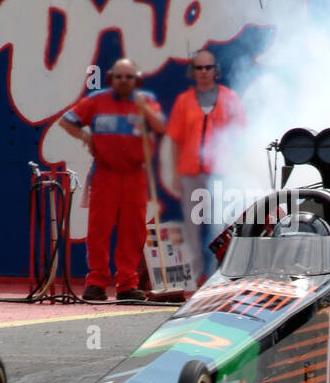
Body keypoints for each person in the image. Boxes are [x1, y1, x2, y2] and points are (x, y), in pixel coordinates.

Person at [59, 58, 165, 301]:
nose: (124, 81)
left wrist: (144, 109)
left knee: (133, 231)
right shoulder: (97, 101)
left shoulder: (145, 101)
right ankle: (96, 282)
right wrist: (84, 136)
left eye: (129, 77)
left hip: (134, 175)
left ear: (136, 79)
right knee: (99, 230)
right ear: (111, 78)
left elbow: (160, 127)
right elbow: (67, 121)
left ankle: (127, 284)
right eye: (119, 76)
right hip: (105, 174)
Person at [165, 49, 245, 285]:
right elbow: (175, 140)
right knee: (192, 227)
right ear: (193, 71)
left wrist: (238, 170)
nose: (203, 72)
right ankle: (193, 273)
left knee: (219, 224)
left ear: (215, 70)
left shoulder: (230, 98)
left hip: (220, 173)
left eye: (208, 67)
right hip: (191, 173)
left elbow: (241, 135)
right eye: (199, 68)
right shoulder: (184, 101)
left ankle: (216, 274)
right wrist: (176, 173)